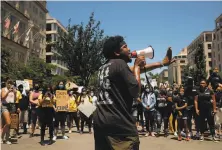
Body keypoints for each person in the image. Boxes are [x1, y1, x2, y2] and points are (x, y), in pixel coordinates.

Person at [1, 79, 17, 144]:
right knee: (8, 122)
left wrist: (15, 93)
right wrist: (8, 92)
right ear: (6, 83)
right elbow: (3, 97)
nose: (10, 84)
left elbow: (15, 100)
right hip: (5, 106)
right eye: (8, 83)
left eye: (11, 83)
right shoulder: (3, 89)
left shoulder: (14, 90)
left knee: (10, 124)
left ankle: (7, 138)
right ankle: (2, 136)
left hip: (12, 106)